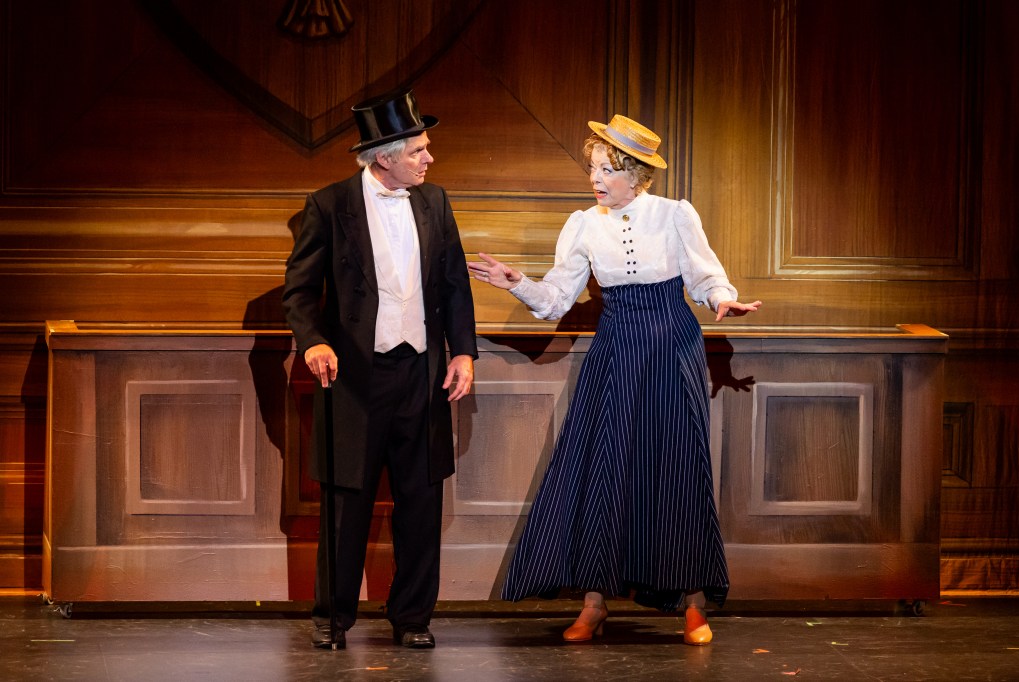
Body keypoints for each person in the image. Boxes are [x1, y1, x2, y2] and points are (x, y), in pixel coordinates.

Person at [468, 114, 760, 645]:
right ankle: (594, 604)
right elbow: (555, 299)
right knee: (604, 468)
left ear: (635, 174)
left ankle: (693, 603)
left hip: (672, 346)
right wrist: (517, 283)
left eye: (607, 169)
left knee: (677, 467)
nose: (595, 179)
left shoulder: (673, 214)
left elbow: (705, 275)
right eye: (593, 169)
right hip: (616, 348)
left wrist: (722, 299)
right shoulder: (583, 224)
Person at [283, 89, 477, 650]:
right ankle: (332, 617)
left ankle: (412, 618)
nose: (429, 158)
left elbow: (454, 284)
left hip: (422, 372)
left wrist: (462, 351)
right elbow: (299, 292)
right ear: (384, 157)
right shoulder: (329, 205)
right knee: (348, 502)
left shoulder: (435, 201)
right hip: (355, 378)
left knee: (421, 498)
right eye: (418, 150)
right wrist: (314, 342)